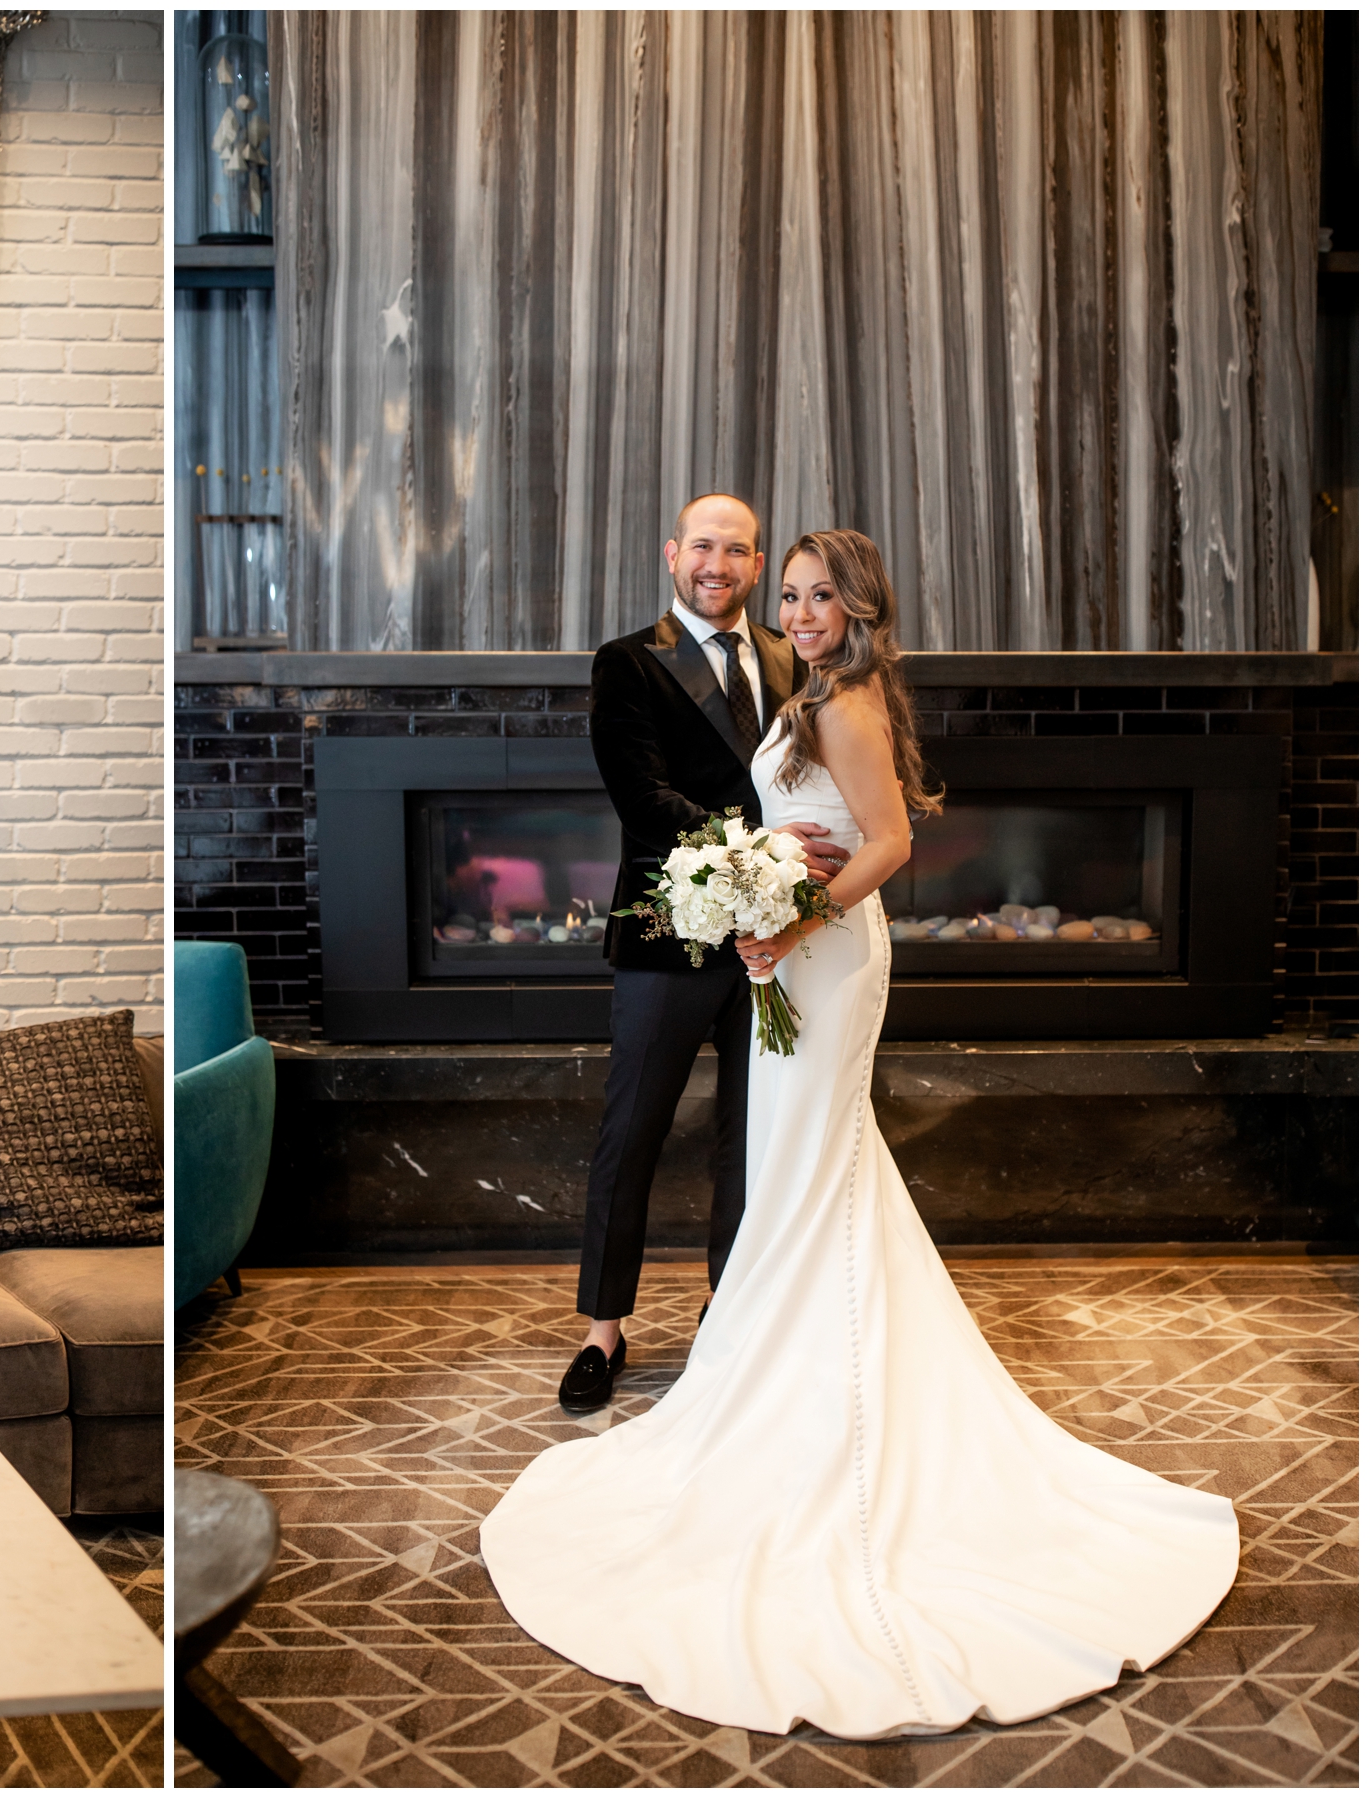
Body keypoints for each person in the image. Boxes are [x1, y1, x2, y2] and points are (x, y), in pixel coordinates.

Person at [482, 530, 1238, 1738]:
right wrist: (763, 880)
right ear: (689, 561)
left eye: (816, 592)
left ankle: (817, 1391)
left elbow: (889, 843)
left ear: (858, 604)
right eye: (790, 592)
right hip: (785, 941)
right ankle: (742, 1356)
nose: (799, 608)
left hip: (820, 958)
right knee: (796, 1167)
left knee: (803, 1165)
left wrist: (787, 923)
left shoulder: (840, 692)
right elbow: (736, 803)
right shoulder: (791, 681)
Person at [561, 493, 847, 1412]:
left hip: (775, 941)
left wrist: (807, 865)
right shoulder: (628, 663)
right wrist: (768, 846)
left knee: (748, 1142)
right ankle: (603, 1330)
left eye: (737, 550)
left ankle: (729, 1312)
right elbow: (642, 799)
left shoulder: (789, 655)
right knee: (631, 1132)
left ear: (758, 565)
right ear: (672, 553)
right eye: (703, 547)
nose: (717, 563)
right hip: (666, 934)